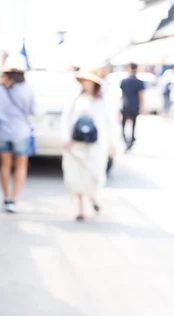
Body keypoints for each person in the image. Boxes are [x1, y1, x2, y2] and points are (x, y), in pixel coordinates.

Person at [61, 71, 117, 221]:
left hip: (96, 145)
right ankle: (80, 208)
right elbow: (67, 119)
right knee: (76, 175)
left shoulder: (103, 101)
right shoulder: (75, 99)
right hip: (76, 143)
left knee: (94, 175)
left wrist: (112, 144)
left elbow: (110, 122)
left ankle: (93, 199)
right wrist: (66, 138)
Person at [0, 55, 35, 213]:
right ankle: (14, 198)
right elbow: (33, 110)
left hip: (2, 131)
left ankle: (6, 196)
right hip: (21, 131)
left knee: (5, 164)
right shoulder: (27, 88)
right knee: (21, 165)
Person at [119, 62, 145, 150]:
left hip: (126, 105)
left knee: (123, 124)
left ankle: (126, 140)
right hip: (135, 105)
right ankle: (132, 138)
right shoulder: (139, 82)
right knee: (133, 124)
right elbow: (141, 95)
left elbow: (122, 95)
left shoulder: (124, 81)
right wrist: (143, 106)